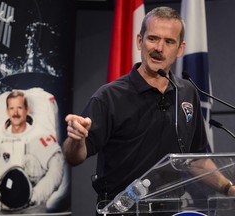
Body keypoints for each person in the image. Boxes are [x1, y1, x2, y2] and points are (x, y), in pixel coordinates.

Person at [62, 6, 235, 216]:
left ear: (180, 48)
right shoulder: (109, 96)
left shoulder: (187, 93)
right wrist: (76, 139)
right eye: (152, 38)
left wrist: (229, 188)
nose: (159, 48)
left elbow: (196, 160)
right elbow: (74, 157)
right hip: (122, 211)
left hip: (172, 210)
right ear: (139, 41)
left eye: (169, 41)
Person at [0, 90, 64, 214]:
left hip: (33, 210)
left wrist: (36, 195)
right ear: (7, 111)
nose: (15, 113)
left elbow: (56, 170)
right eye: (12, 108)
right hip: (2, 209)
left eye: (19, 108)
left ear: (27, 109)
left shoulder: (40, 137)